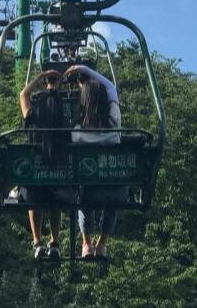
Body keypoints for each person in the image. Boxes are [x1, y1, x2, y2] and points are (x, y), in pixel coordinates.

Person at [63, 65, 127, 259]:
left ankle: (86, 243)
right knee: (112, 196)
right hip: (115, 190)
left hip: (88, 192)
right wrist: (84, 69)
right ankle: (102, 244)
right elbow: (111, 88)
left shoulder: (77, 131)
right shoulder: (113, 121)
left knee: (82, 196)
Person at [19, 69, 66, 259]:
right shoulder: (63, 117)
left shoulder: (32, 114)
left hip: (35, 169)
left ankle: (37, 241)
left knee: (33, 201)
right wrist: (61, 82)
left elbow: (23, 94)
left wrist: (41, 77)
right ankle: (54, 241)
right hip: (58, 168)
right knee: (55, 202)